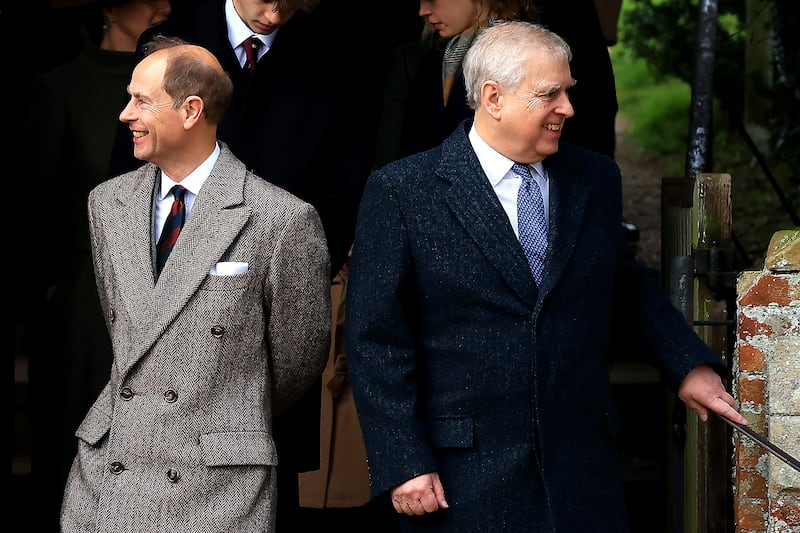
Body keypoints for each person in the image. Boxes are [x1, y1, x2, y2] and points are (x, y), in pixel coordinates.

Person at [345, 21, 747, 532]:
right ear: (493, 97)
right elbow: (375, 339)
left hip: (582, 469)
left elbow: (622, 282)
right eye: (549, 94)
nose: (568, 108)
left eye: (568, 92)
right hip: (461, 478)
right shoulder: (403, 191)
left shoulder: (595, 178)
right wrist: (404, 461)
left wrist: (686, 364)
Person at [104, 1, 377, 528]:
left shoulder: (336, 54)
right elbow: (131, 168)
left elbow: (346, 186)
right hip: (170, 290)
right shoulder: (174, 37)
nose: (276, 14)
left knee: (266, 486)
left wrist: (292, 264)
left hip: (273, 298)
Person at [59, 36, 331, 532]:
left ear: (190, 110)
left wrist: (225, 407)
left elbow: (298, 356)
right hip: (110, 467)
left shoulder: (281, 219)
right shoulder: (107, 203)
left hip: (217, 480)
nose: (125, 115)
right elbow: (127, 325)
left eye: (140, 100)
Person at [22, 1, 172, 530]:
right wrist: (56, 289)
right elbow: (39, 202)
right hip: (85, 302)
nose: (165, 7)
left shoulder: (182, 80)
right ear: (111, 7)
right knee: (79, 445)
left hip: (168, 288)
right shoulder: (60, 88)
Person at [374, 0, 619, 169]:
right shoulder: (436, 61)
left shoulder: (546, 51)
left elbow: (593, 122)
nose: (422, 11)